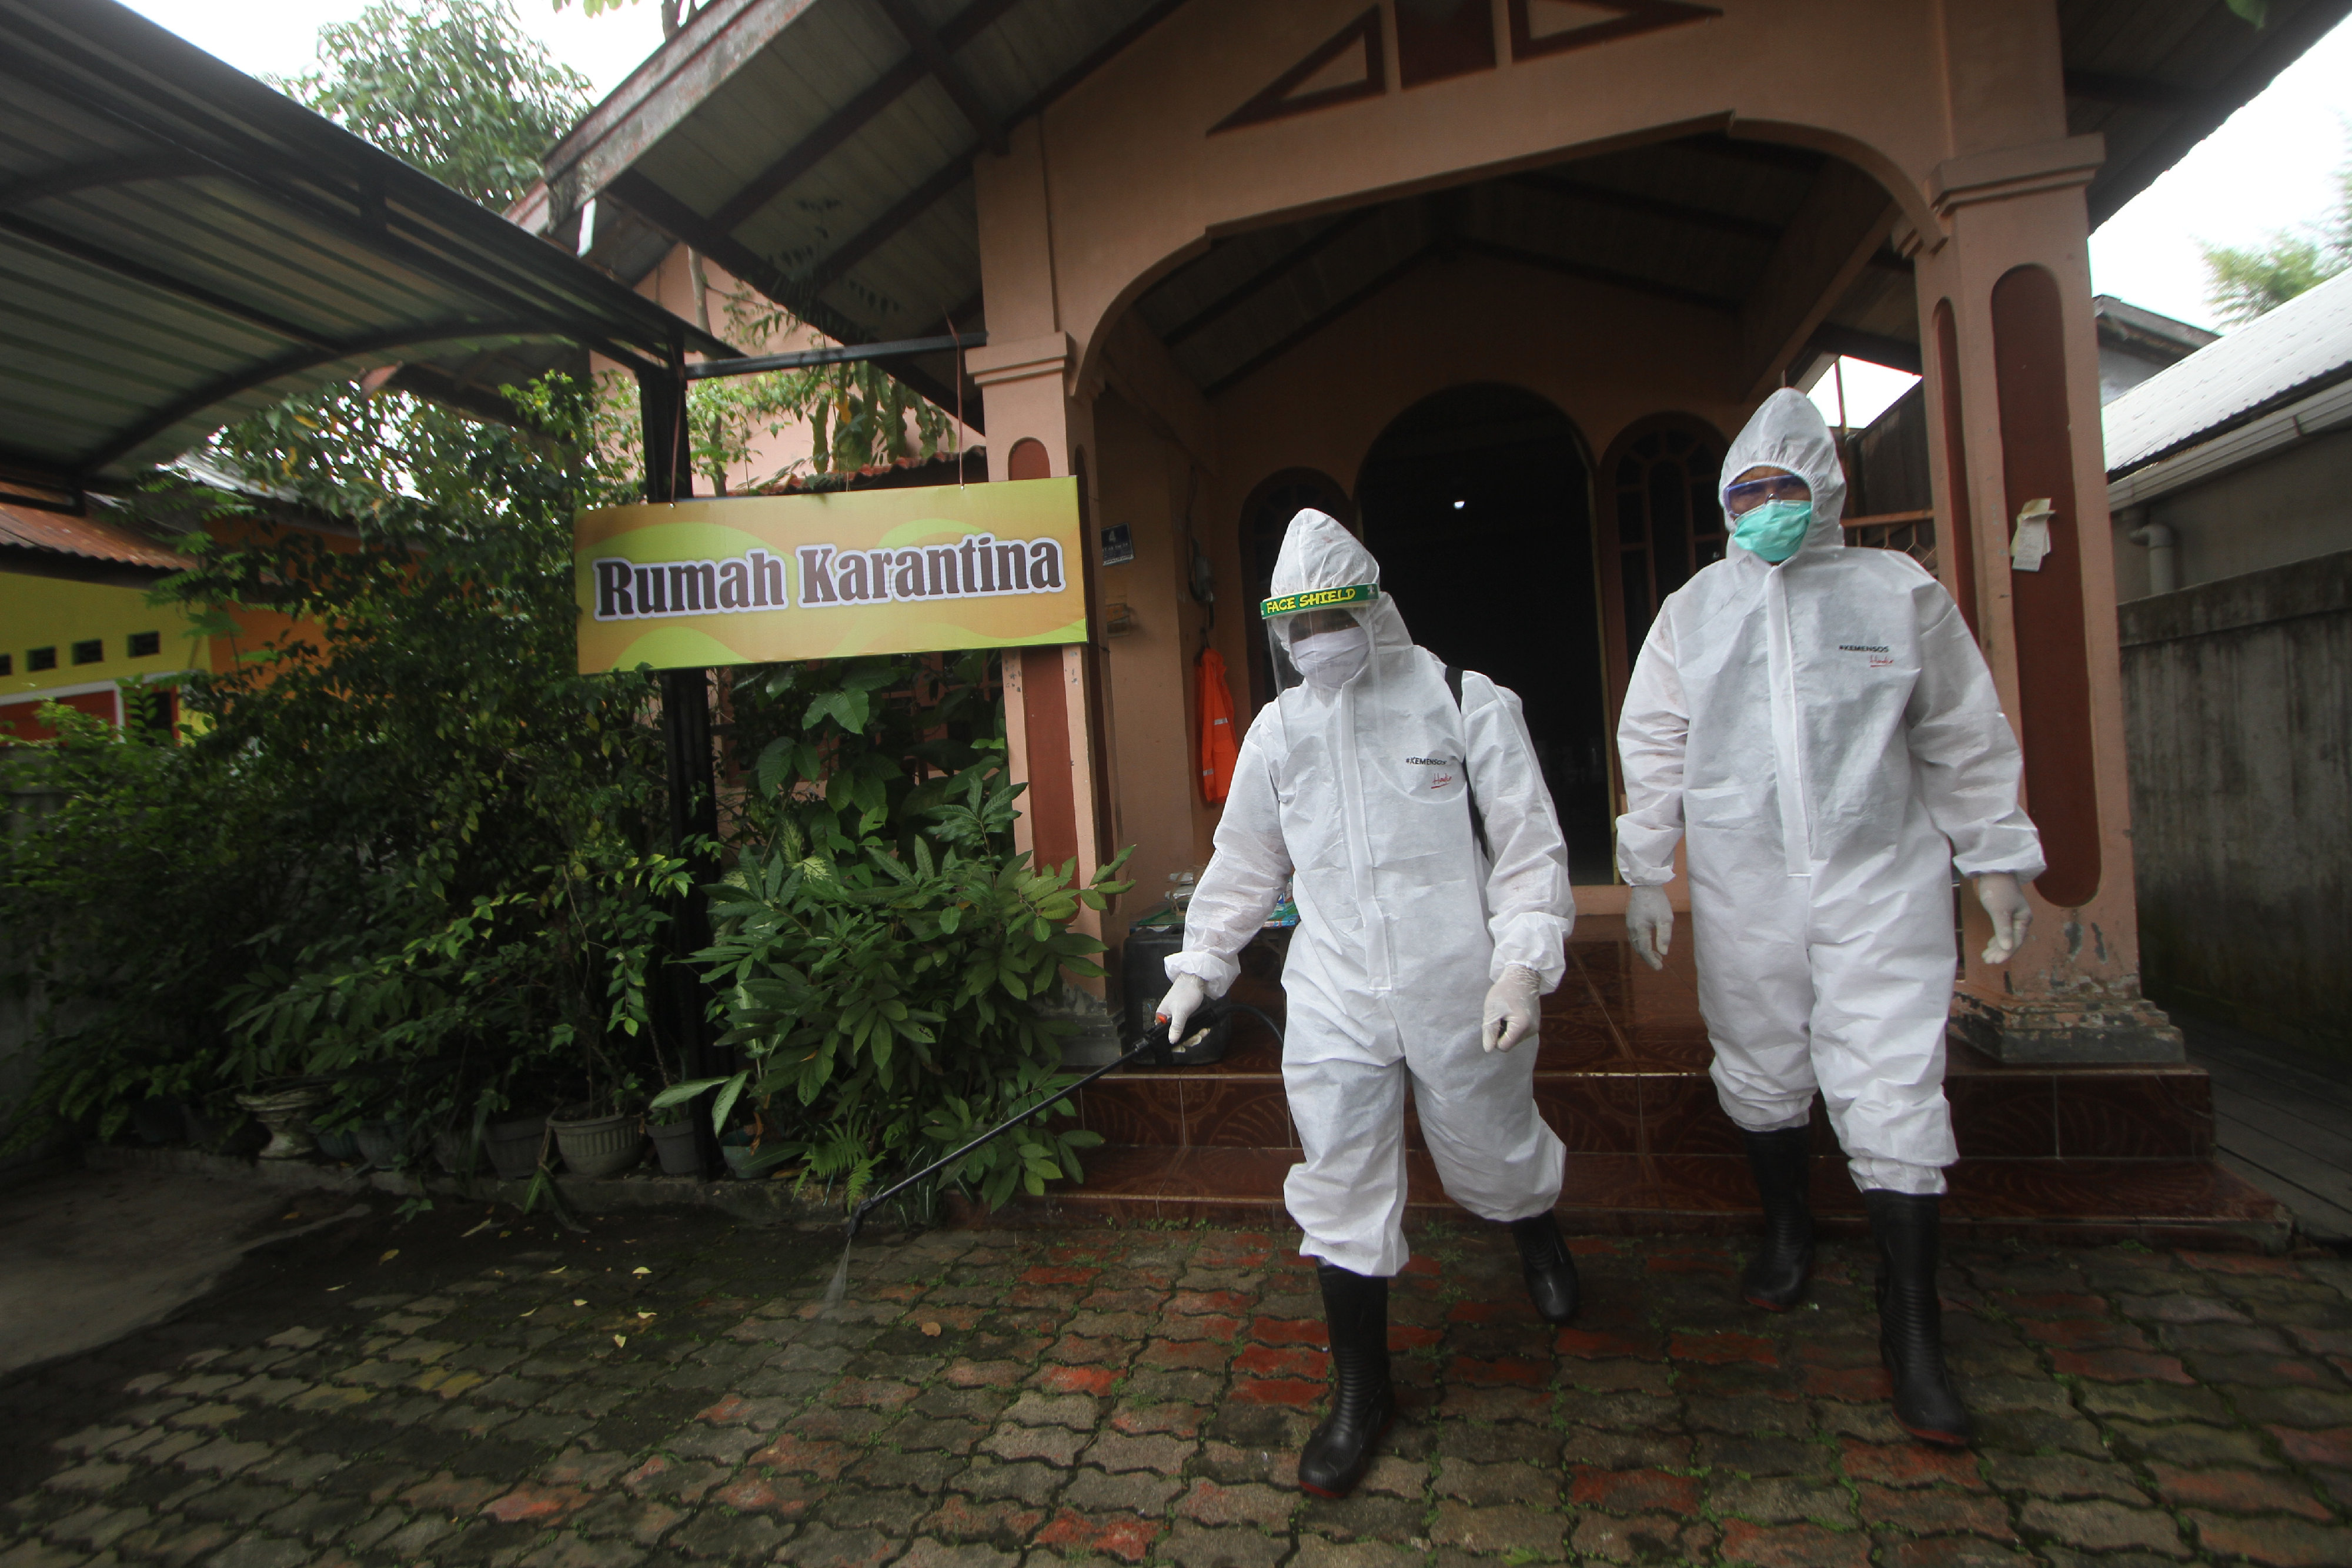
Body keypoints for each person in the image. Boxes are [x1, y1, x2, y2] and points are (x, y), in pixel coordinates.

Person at [1614, 389, 2042, 1448]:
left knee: (1893, 1073)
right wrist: (1643, 867)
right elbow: (1653, 742)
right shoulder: (1694, 611)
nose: (1765, 507)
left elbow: (1961, 732)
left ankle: (1913, 1326)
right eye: (1746, 491)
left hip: (1878, 874)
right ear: (1725, 504)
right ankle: (1789, 1227)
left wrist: (1995, 856)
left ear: (1827, 489)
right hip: (1744, 879)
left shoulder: (1898, 595)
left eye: (1784, 487)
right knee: (1758, 1056)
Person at [1156, 509, 1577, 1499]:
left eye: (1330, 618)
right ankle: (1362, 1396)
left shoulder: (1460, 699)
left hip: (1458, 980)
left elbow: (1529, 845)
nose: (1315, 643)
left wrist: (1521, 962)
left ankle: (1536, 1227)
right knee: (1339, 1176)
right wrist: (1197, 967)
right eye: (1295, 629)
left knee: (1491, 1140)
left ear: (1373, 605)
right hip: (1336, 986)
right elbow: (1247, 861)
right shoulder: (1280, 730)